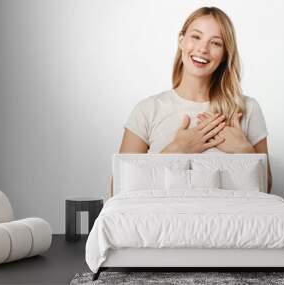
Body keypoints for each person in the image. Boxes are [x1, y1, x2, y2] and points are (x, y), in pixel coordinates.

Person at [114, 6, 272, 195]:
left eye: (215, 43)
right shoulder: (147, 110)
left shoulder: (247, 109)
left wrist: (244, 150)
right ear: (181, 40)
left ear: (224, 56)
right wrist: (176, 150)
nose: (203, 49)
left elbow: (266, 188)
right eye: (196, 37)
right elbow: (118, 191)